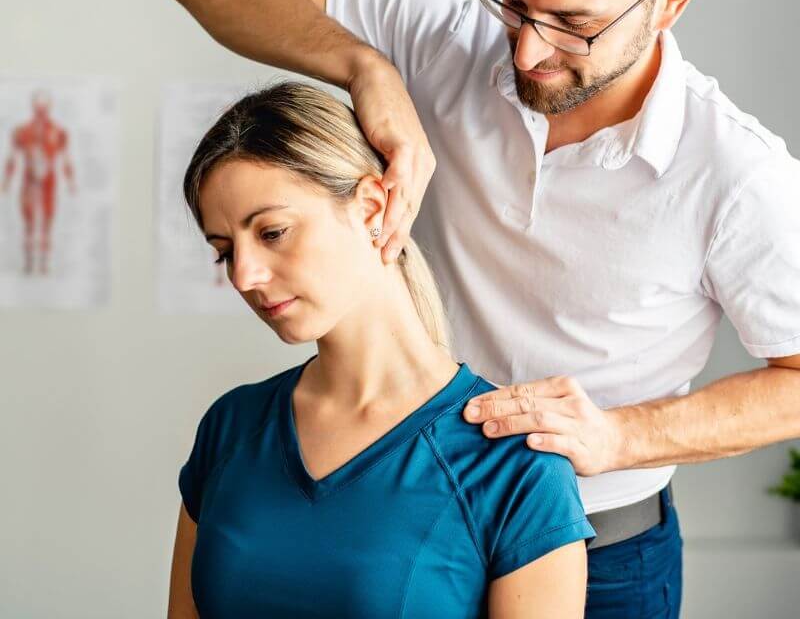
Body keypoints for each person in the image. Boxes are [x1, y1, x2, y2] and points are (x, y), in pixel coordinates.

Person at [167, 0, 800, 615]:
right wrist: (364, 67)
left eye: (573, 23)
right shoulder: (442, 38)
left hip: (603, 545)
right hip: (396, 509)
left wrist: (619, 438)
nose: (528, 50)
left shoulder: (737, 174)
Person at [166, 81, 596, 618]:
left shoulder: (511, 462)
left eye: (272, 232)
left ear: (371, 207)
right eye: (224, 252)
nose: (245, 275)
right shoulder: (229, 428)